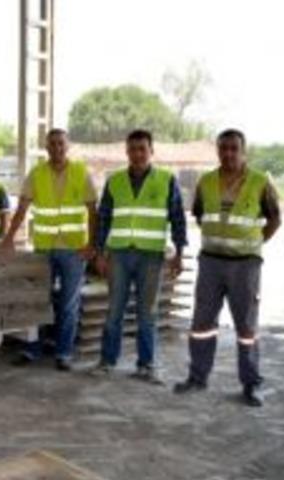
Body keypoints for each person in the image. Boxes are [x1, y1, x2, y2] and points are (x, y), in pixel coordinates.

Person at [173, 129, 281, 407]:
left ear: (244, 151)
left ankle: (251, 384)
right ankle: (197, 377)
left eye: (234, 148)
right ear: (218, 151)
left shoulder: (260, 182)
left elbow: (274, 220)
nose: (228, 153)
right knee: (202, 323)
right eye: (223, 148)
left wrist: (253, 244)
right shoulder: (206, 181)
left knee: (246, 326)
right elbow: (200, 214)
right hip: (210, 262)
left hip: (245, 265)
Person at [90, 129, 187, 383]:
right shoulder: (115, 181)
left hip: (151, 255)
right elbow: (104, 219)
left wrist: (179, 253)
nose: (137, 154)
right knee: (114, 311)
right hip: (119, 254)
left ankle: (147, 365)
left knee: (147, 313)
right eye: (132, 149)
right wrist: (99, 253)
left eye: (142, 149)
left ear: (151, 151)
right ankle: (107, 361)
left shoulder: (166, 180)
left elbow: (178, 218)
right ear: (127, 152)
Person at [0, 129, 98, 371]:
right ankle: (32, 349)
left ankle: (63, 354)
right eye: (52, 144)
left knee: (68, 304)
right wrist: (9, 238)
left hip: (73, 250)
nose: (57, 148)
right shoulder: (37, 174)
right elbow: (22, 209)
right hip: (43, 248)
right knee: (38, 301)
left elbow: (92, 212)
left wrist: (92, 244)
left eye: (61, 143)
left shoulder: (81, 172)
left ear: (68, 145)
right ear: (46, 147)